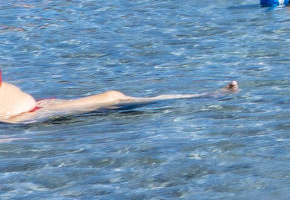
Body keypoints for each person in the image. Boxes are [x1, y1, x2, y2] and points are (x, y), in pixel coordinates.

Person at [1, 70, 236, 124]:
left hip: (36, 107)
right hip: (18, 118)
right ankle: (202, 96)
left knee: (114, 96)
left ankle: (200, 96)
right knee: (113, 98)